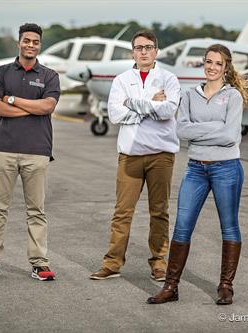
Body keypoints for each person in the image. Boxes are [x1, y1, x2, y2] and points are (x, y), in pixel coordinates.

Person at [147, 44, 248, 305]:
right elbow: (181, 131)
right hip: (196, 169)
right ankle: (171, 287)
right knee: (182, 227)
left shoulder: (233, 97)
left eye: (218, 63)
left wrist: (200, 129)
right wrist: (214, 126)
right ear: (203, 64)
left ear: (226, 67)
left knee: (229, 226)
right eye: (209, 62)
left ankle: (226, 286)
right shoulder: (190, 95)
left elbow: (230, 136)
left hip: (226, 168)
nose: (212, 67)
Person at [0, 23, 60, 281]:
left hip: (37, 151)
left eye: (35, 42)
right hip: (4, 150)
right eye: (26, 41)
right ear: (19, 43)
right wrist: (29, 107)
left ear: (39, 45)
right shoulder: (0, 73)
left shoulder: (49, 75)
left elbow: (47, 106)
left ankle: (39, 263)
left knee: (37, 211)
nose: (30, 45)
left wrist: (12, 100)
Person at [90, 30, 181, 281]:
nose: (144, 52)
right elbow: (115, 116)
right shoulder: (121, 80)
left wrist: (133, 103)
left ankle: (159, 262)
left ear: (156, 51)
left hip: (161, 155)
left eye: (148, 47)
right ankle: (112, 263)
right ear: (133, 52)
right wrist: (150, 104)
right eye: (139, 48)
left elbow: (168, 111)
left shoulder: (168, 78)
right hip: (129, 155)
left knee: (159, 211)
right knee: (122, 211)